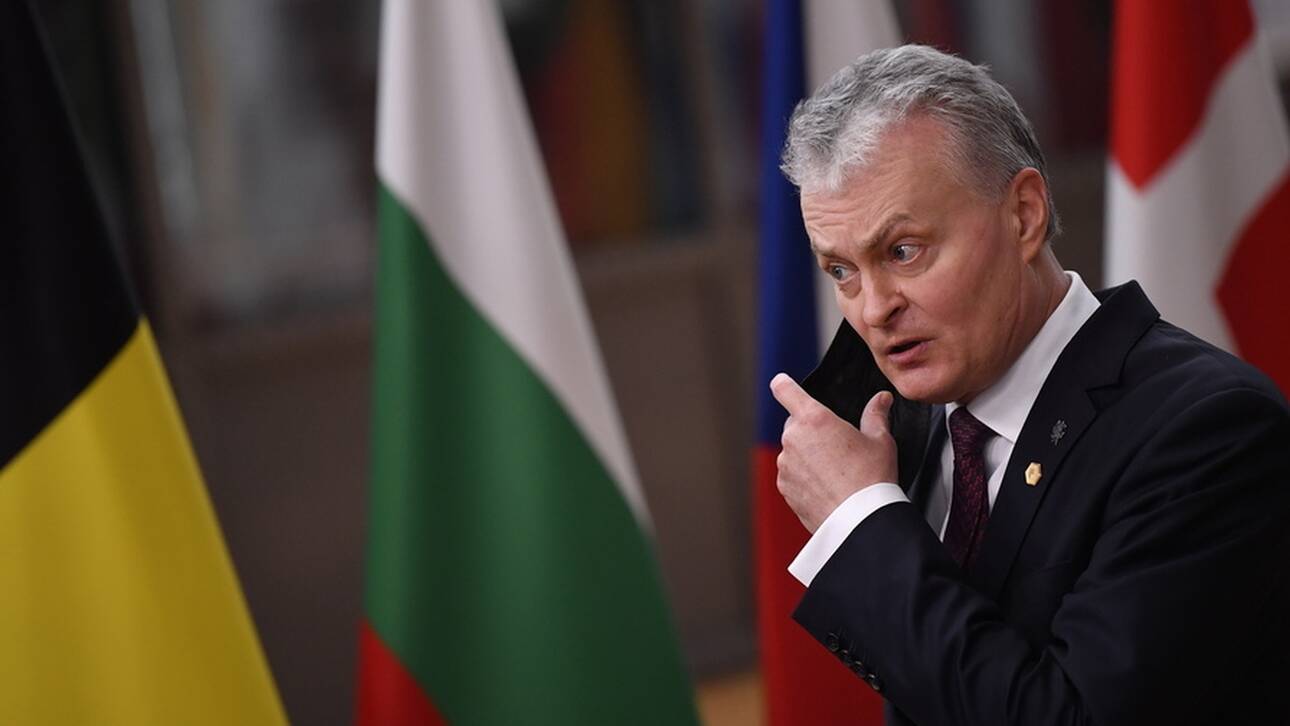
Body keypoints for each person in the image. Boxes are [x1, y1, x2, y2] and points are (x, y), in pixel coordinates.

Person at [769, 44, 1290, 726]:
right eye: (841, 270)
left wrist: (862, 522)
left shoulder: (1208, 430)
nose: (872, 309)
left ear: (1023, 214)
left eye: (903, 251)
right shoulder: (893, 423)